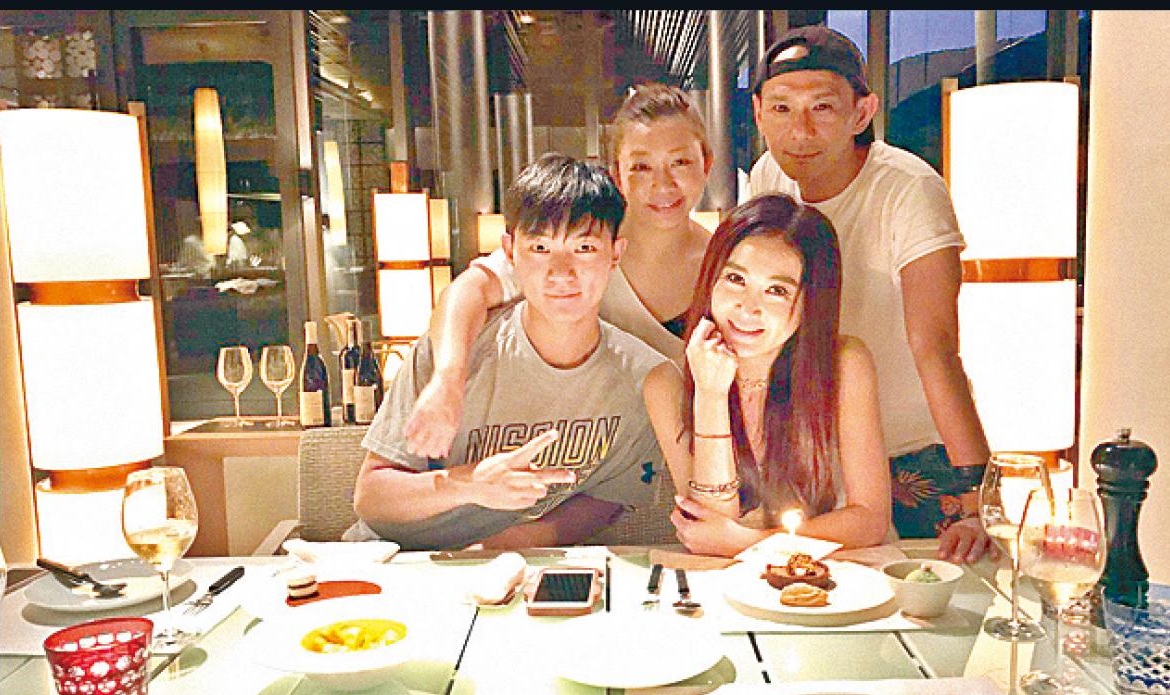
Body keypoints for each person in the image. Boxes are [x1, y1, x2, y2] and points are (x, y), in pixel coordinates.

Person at [748, 26, 992, 563]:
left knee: (936, 594)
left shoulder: (908, 189)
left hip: (909, 449)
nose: (801, 131)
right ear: (759, 113)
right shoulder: (769, 176)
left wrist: (978, 492)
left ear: (862, 113)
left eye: (823, 108)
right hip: (815, 450)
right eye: (782, 108)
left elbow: (935, 346)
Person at [345, 154, 667, 550]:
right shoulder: (456, 348)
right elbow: (371, 498)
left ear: (615, 253)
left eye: (584, 247)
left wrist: (512, 544)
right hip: (397, 560)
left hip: (519, 564)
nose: (561, 272)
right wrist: (469, 484)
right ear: (510, 252)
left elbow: (609, 495)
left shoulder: (642, 379)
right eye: (540, 247)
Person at [403, 83, 713, 458]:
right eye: (641, 167)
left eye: (680, 163)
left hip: (689, 456)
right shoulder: (580, 246)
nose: (662, 184)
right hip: (591, 453)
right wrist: (448, 380)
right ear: (617, 174)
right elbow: (469, 290)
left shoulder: (727, 264)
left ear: (706, 164)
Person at [642, 193, 891, 557]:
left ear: (811, 301)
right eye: (735, 278)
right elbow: (709, 528)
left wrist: (750, 544)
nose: (748, 307)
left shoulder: (844, 364)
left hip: (834, 572)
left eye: (776, 290)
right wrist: (711, 395)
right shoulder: (667, 383)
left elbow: (869, 519)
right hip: (722, 581)